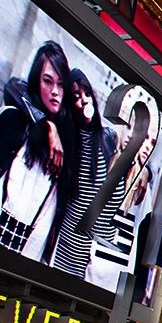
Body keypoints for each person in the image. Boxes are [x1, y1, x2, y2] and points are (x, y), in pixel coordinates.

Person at [0, 41, 74, 261]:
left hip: (25, 257)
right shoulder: (10, 119)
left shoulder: (64, 146)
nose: (55, 92)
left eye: (61, 84)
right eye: (47, 81)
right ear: (36, 81)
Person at [50, 68, 129, 278]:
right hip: (66, 249)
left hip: (97, 259)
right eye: (76, 96)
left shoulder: (108, 138)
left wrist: (146, 171)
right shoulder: (66, 138)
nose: (84, 100)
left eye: (86, 93)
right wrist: (49, 126)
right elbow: (15, 88)